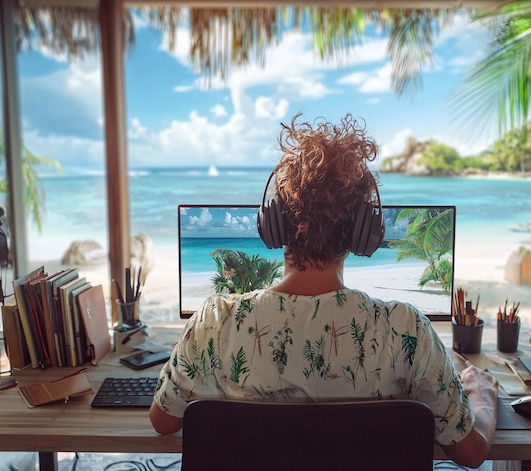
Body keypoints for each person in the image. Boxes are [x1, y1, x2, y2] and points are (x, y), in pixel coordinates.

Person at [149, 113, 499, 469]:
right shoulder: (407, 330)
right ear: (365, 230)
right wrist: (482, 394)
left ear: (273, 223)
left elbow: (163, 421)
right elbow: (470, 453)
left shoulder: (216, 322)